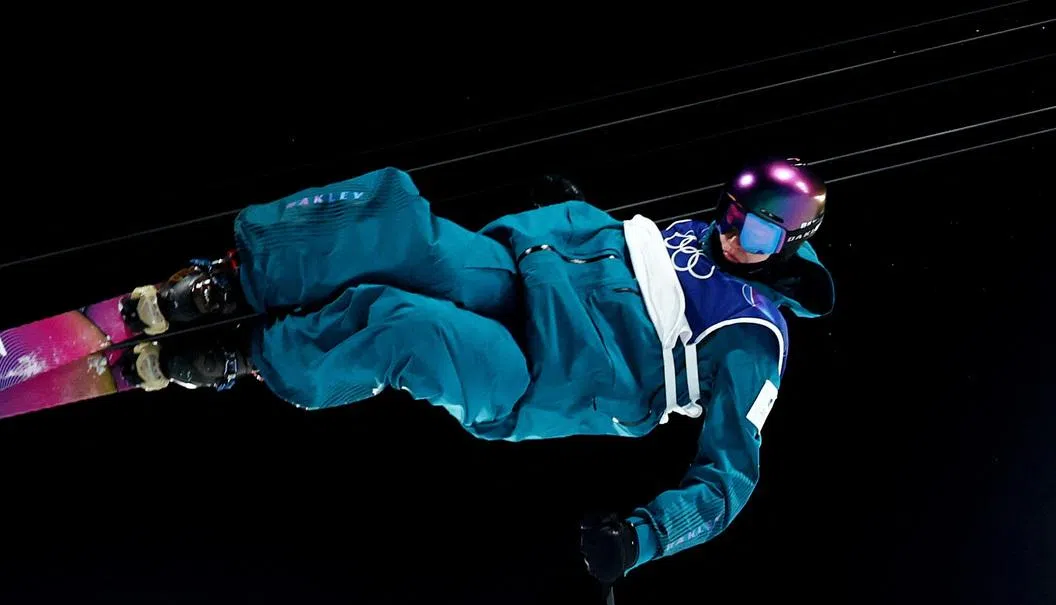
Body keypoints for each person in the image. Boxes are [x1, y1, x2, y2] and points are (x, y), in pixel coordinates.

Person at [124, 158, 834, 583]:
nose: (733, 236)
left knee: (411, 327)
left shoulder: (754, 339)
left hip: (540, 374)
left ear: (788, 243)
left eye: (756, 232)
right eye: (731, 213)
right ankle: (235, 279)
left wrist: (643, 537)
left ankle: (249, 357)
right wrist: (574, 218)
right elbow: (633, 265)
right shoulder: (707, 237)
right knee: (403, 225)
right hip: (529, 273)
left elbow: (729, 482)